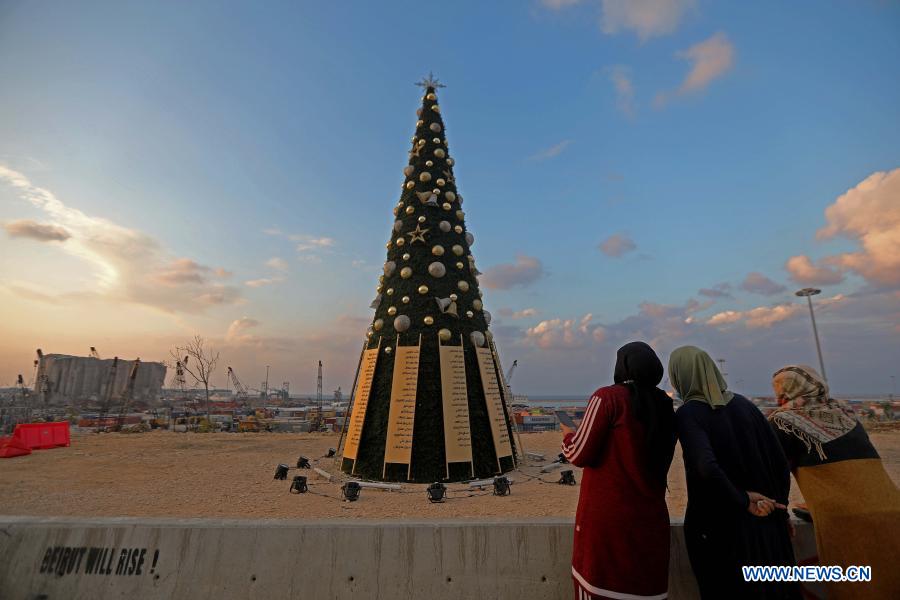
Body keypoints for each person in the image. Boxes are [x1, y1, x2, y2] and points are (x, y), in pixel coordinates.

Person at [670, 346, 800, 600]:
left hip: (719, 531)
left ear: (680, 376)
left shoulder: (689, 413)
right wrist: (781, 508)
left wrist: (742, 500)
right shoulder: (745, 406)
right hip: (767, 526)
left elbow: (705, 467)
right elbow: (779, 461)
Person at [769, 364, 900, 600]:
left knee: (857, 590)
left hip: (847, 520)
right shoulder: (845, 412)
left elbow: (773, 473)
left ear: (785, 390)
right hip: (892, 509)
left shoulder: (783, 420)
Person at [562, 341, 676, 600]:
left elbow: (579, 454)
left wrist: (568, 436)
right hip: (651, 521)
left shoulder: (608, 397)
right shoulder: (663, 404)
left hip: (609, 524)